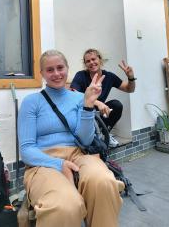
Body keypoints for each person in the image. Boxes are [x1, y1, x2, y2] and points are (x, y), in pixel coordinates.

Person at [18, 50, 124, 227]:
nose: (56, 73)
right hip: (43, 160)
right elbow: (27, 150)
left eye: (60, 68)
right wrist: (60, 165)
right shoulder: (31, 102)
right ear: (42, 74)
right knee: (64, 205)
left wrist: (88, 106)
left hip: (78, 154)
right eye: (50, 70)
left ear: (67, 68)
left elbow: (86, 139)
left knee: (104, 183)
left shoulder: (79, 98)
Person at [71, 48, 136, 148]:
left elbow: (129, 89)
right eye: (88, 61)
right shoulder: (81, 75)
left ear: (100, 60)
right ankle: (96, 136)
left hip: (100, 114)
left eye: (94, 59)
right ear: (85, 64)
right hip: (83, 113)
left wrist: (131, 78)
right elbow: (74, 94)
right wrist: (98, 103)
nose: (91, 62)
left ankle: (104, 134)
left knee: (116, 105)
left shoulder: (109, 76)